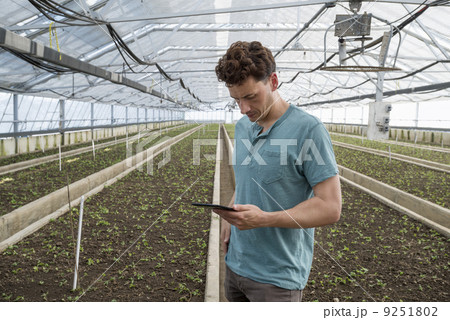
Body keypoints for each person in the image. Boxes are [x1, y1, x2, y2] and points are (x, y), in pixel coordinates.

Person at [213, 41, 342, 302]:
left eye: (250, 97)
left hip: (276, 278)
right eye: (236, 99)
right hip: (236, 264)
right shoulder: (243, 128)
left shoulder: (308, 130)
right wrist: (229, 212)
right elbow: (248, 180)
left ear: (273, 81)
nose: (243, 109)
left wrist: (264, 218)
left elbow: (330, 207)